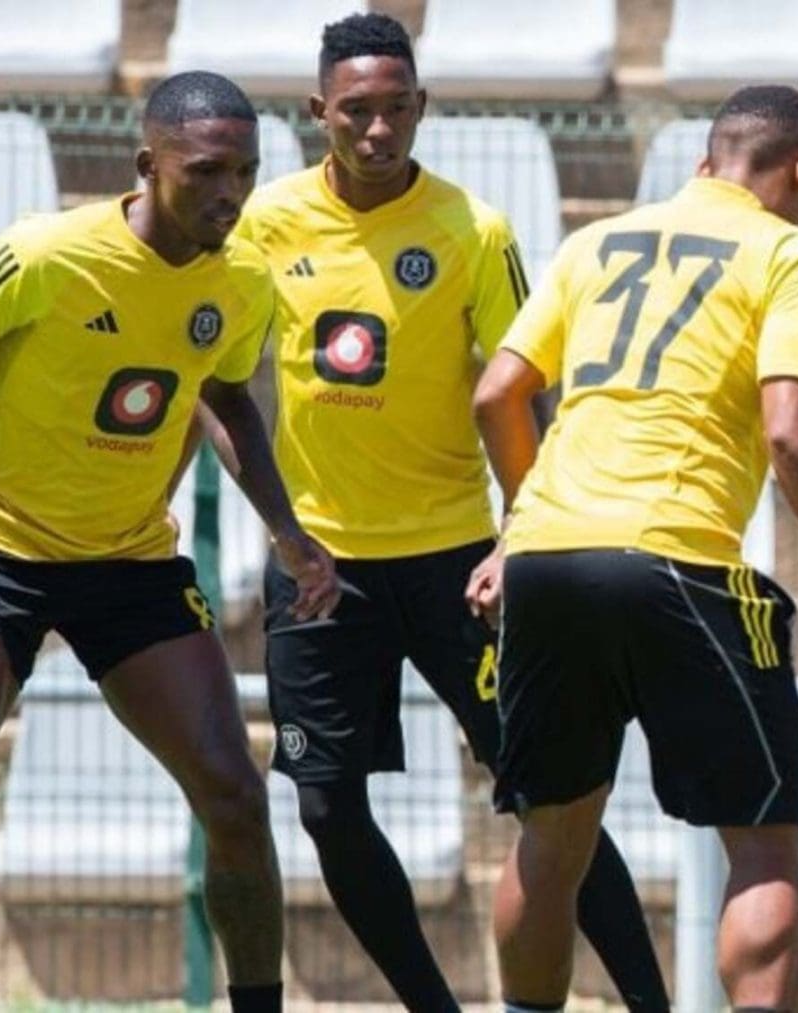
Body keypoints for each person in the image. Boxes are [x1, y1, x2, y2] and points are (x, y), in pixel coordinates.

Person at [0, 72, 340, 1013]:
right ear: (148, 166)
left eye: (245, 172)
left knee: (236, 794)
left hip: (130, 565)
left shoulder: (239, 283)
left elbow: (225, 394)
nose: (231, 194)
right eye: (206, 172)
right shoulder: (47, 254)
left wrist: (289, 531)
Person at [215, 13, 667, 1011]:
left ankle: (650, 1001)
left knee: (554, 802)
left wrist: (522, 534)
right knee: (326, 803)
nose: (379, 131)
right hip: (319, 572)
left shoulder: (474, 230)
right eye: (357, 112)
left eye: (397, 109)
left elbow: (525, 390)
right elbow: (214, 378)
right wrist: (282, 526)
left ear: (423, 108)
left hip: (462, 562)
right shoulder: (264, 225)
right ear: (318, 113)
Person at [470, 85, 798, 1013]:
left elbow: (498, 393)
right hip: (678, 563)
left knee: (551, 836)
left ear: (706, 160)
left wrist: (519, 528)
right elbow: (792, 433)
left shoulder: (594, 243)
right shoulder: (793, 254)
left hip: (547, 558)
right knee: (765, 840)